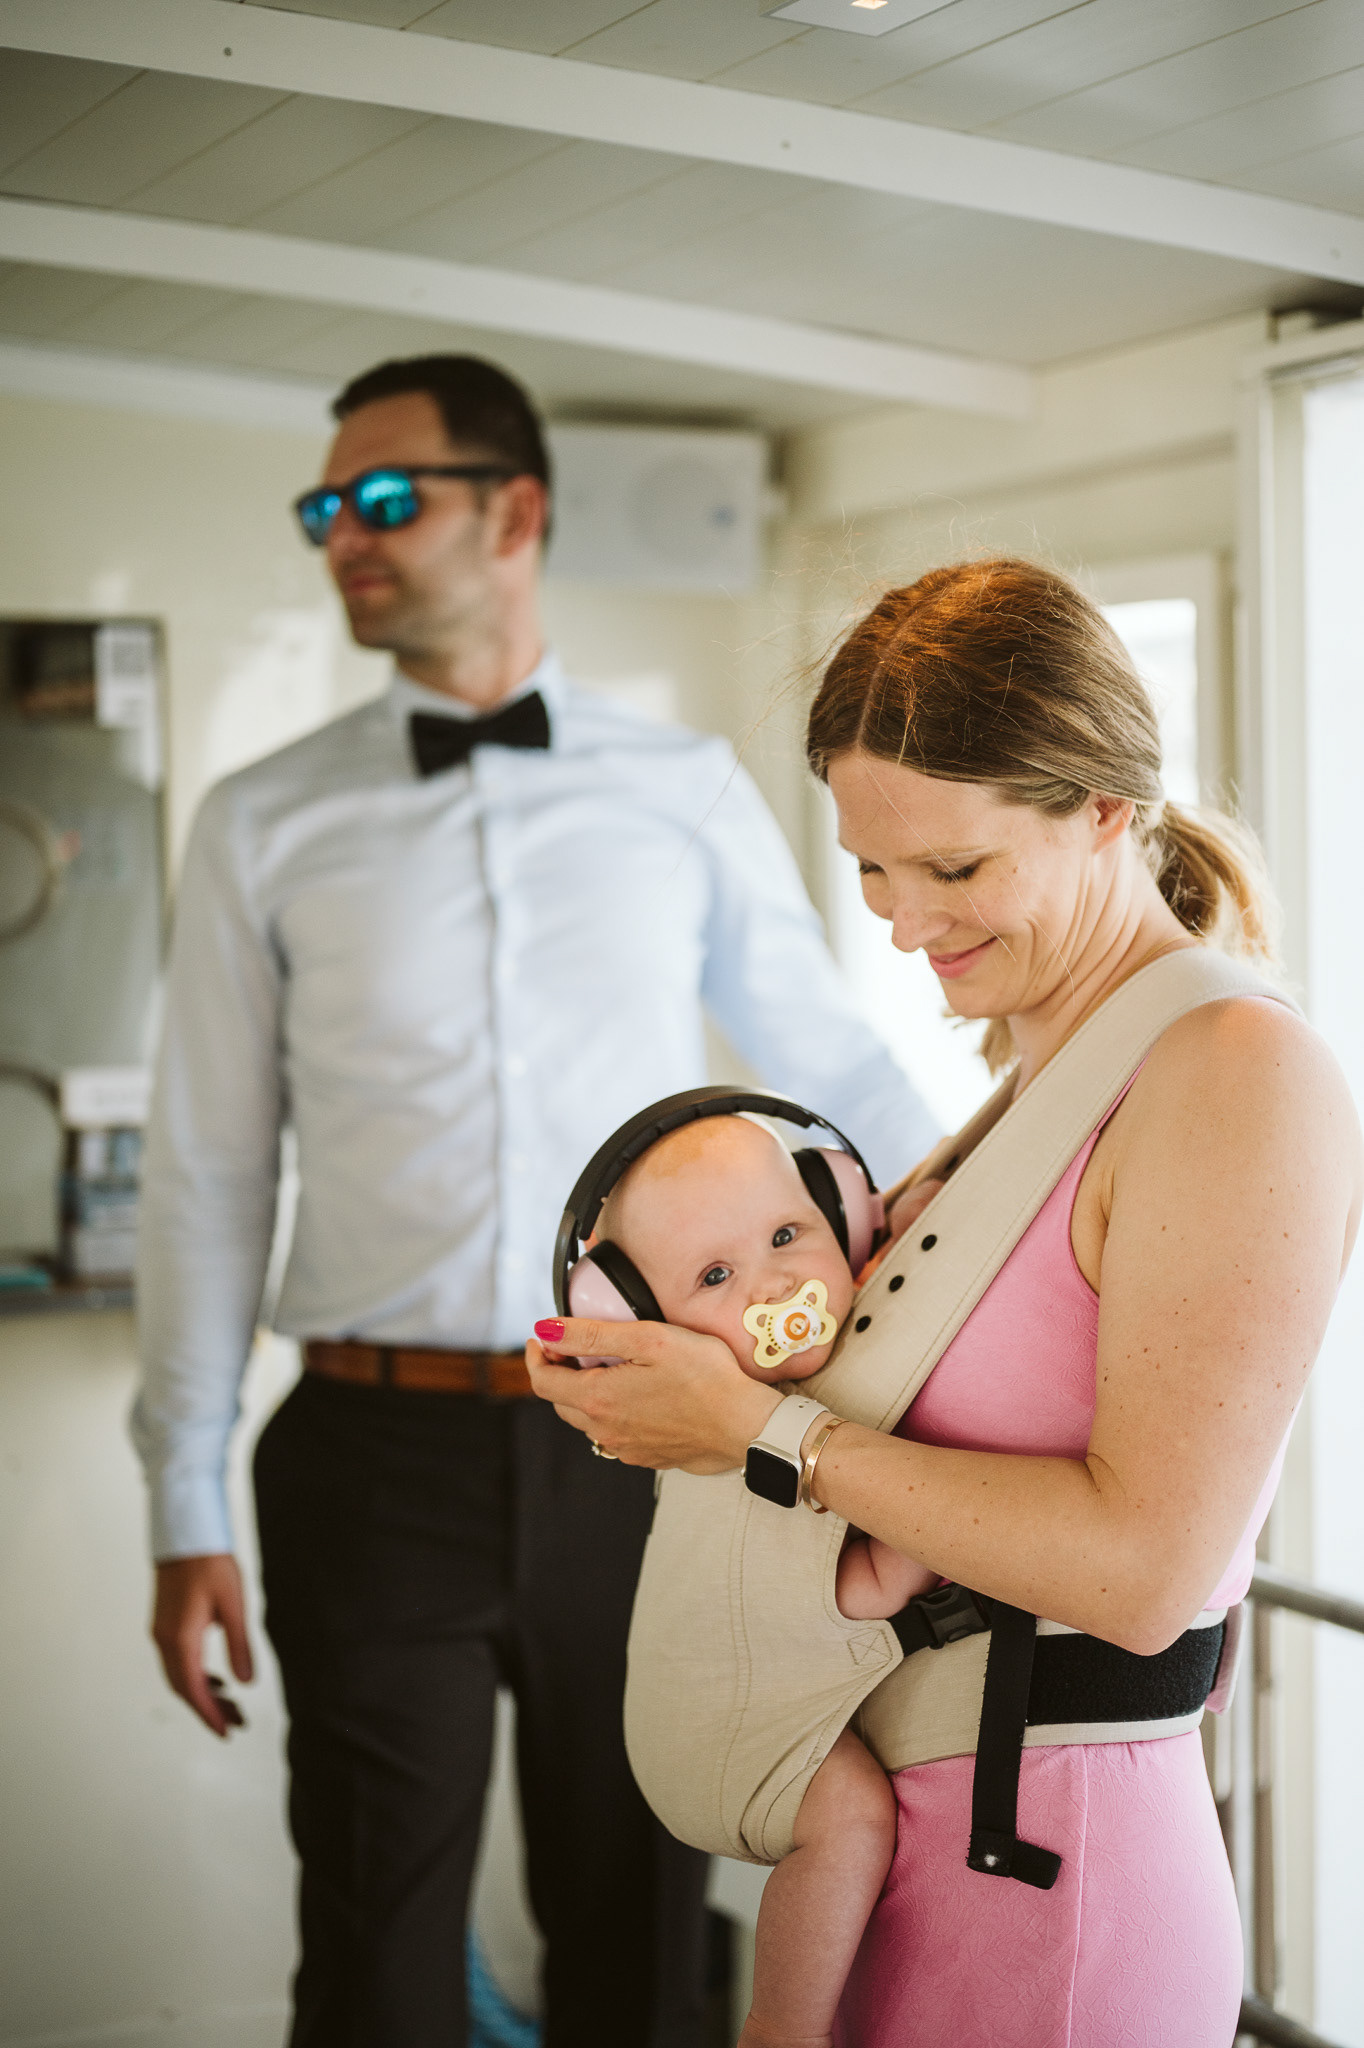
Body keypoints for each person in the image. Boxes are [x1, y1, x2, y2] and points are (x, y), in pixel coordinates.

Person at [130, 351, 937, 2048]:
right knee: (374, 1952)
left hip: (652, 1444)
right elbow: (205, 1167)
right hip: (371, 1453)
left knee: (639, 1927)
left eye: (382, 499)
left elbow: (834, 1074)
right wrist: (180, 1498)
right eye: (323, 507)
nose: (342, 536)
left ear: (514, 513)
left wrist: (978, 1284)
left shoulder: (683, 787)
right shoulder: (259, 821)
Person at [528, 556, 1362, 2048]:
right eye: (870, 869)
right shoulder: (1039, 1073)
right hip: (918, 1866)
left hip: (1048, 1885)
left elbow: (1146, 1571)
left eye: (956, 870)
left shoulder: (1235, 1072)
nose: (905, 923)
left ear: (1104, 808)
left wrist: (757, 1431)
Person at [580, 1109, 936, 2045]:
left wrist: (914, 1236)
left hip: (736, 1694)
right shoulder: (716, 1442)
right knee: (852, 1818)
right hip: (710, 1732)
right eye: (714, 1277)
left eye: (787, 1234)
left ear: (843, 1219)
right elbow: (852, 1595)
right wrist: (936, 1532)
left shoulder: (814, 1349)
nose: (775, 1284)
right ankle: (780, 2027)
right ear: (647, 1332)